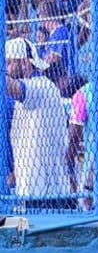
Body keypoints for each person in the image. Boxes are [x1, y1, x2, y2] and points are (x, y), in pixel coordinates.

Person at [6, 37, 71, 205]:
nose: (6, 68)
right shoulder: (34, 88)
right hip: (35, 189)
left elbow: (12, 88)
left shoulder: (40, 86)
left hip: (46, 192)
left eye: (9, 63)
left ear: (25, 63)